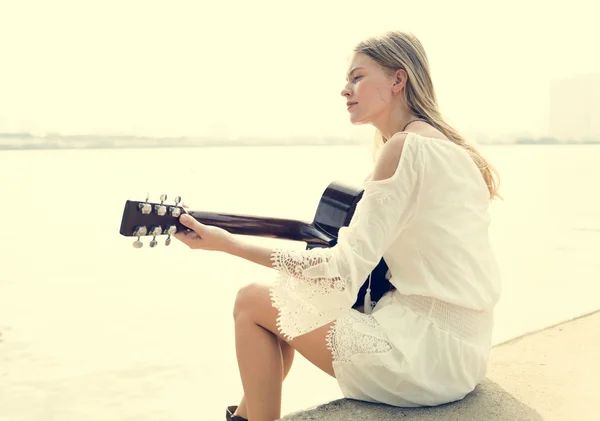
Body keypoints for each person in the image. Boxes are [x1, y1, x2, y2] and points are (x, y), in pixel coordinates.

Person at [174, 30, 502, 421]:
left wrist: (228, 243)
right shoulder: (455, 152)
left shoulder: (405, 148)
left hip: (422, 358)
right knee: (284, 308)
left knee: (251, 301)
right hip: (464, 353)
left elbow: (340, 273)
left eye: (358, 77)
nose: (345, 90)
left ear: (399, 80)